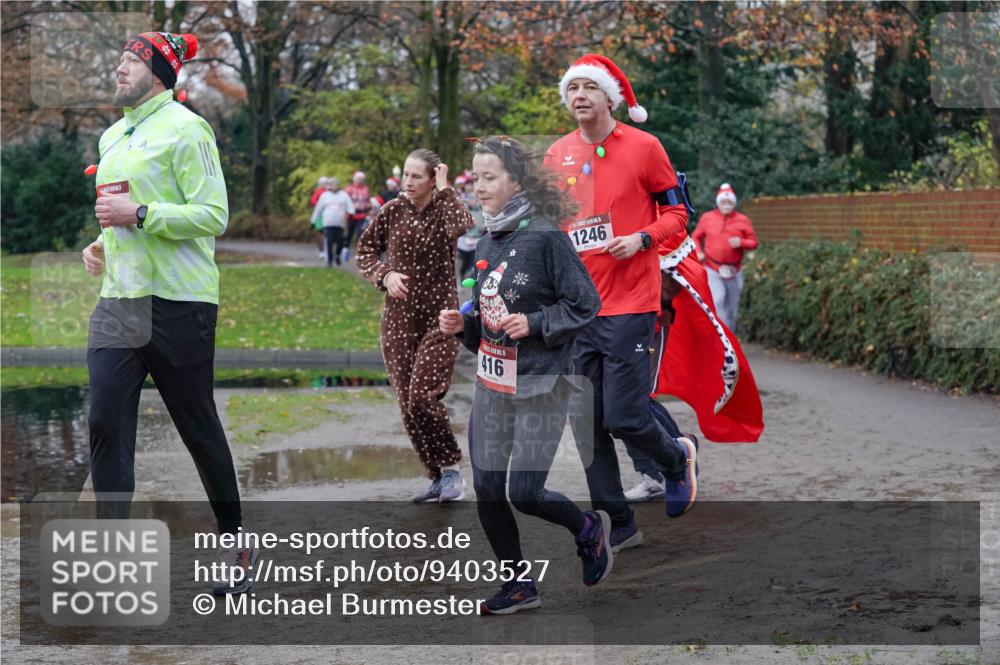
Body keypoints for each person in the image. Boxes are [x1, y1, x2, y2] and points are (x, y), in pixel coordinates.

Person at [80, 31, 252, 595]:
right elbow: (119, 215)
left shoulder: (187, 127)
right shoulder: (112, 136)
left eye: (129, 60)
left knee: (196, 427)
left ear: (157, 70)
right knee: (104, 420)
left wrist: (142, 212)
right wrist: (102, 244)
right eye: (119, 58)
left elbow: (213, 214)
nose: (118, 68)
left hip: (179, 302)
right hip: (119, 302)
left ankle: (235, 539)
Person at [439, 136, 607, 615]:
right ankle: (518, 584)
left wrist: (535, 323)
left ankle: (588, 529)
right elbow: (486, 318)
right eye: (475, 177)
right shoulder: (488, 238)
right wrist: (463, 325)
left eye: (489, 177)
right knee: (489, 488)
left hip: (544, 380)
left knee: (525, 492)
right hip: (494, 381)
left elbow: (585, 305)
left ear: (515, 180)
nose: (479, 186)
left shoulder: (547, 235)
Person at [544, 54, 699, 551]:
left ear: (610, 97)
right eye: (573, 89)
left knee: (624, 417)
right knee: (587, 426)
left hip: (631, 302)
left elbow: (678, 214)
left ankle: (675, 458)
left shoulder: (645, 146)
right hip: (577, 310)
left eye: (590, 87)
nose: (580, 96)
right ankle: (620, 522)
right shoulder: (556, 156)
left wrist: (643, 240)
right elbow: (548, 227)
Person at [356, 150, 472, 502]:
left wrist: (447, 189)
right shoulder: (391, 211)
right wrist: (385, 274)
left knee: (423, 395)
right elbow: (365, 252)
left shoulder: (444, 208)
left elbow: (464, 226)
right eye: (405, 175)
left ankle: (451, 468)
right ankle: (435, 475)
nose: (407, 182)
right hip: (398, 321)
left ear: (432, 178)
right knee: (408, 403)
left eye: (416, 176)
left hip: (440, 318)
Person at [692, 183, 759, 330]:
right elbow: (695, 237)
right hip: (712, 267)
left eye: (729, 202)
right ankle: (723, 339)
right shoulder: (707, 218)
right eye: (724, 202)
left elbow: (754, 242)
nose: (726, 205)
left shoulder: (743, 220)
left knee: (732, 309)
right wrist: (698, 252)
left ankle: (731, 340)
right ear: (718, 202)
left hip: (734, 270)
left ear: (734, 203)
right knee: (718, 300)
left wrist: (741, 242)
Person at [311, 177, 355, 267]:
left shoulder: (343, 195)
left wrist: (351, 212)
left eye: (336, 184)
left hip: (340, 223)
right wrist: (313, 221)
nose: (334, 186)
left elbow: (350, 206)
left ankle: (337, 255)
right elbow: (318, 209)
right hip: (328, 223)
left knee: (340, 241)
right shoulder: (325, 196)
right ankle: (329, 261)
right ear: (329, 186)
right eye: (332, 184)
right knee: (329, 242)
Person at [455, 175, 485, 279]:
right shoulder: (460, 198)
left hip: (477, 237)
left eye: (472, 183)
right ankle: (462, 277)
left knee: (474, 263)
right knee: (464, 263)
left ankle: (472, 281)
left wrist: (483, 226)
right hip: (464, 238)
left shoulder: (482, 197)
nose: (470, 186)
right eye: (468, 184)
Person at [344, 170, 372, 261]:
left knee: (360, 232)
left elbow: (368, 200)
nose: (360, 180)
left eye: (361, 179)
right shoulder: (349, 188)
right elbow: (344, 200)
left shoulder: (365, 188)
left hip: (362, 213)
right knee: (350, 232)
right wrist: (351, 205)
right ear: (354, 179)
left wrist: (368, 205)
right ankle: (345, 249)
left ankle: (360, 252)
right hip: (352, 213)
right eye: (358, 178)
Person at [311, 176, 330, 259]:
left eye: (327, 183)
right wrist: (320, 204)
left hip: (328, 214)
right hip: (320, 214)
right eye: (324, 183)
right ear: (321, 184)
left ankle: (325, 250)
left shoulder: (329, 192)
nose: (326, 184)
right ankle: (321, 250)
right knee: (320, 232)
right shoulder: (318, 191)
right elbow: (313, 201)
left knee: (326, 233)